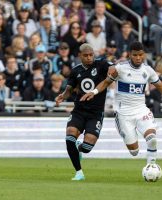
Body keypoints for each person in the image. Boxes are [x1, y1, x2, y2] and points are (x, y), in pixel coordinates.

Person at [80, 41, 162, 168]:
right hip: (124, 114)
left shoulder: (148, 70)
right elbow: (106, 82)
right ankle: (79, 146)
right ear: (130, 55)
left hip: (141, 111)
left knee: (152, 139)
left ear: (144, 55)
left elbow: (161, 87)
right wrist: (94, 91)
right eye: (135, 55)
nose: (138, 58)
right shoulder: (120, 69)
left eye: (140, 55)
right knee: (134, 151)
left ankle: (151, 167)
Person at [55, 43, 113, 181]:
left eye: (91, 55)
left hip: (95, 113)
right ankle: (79, 172)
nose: (89, 58)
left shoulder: (101, 65)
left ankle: (79, 148)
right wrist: (63, 95)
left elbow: (113, 67)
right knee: (69, 137)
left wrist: (112, 69)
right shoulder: (75, 71)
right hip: (79, 111)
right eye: (85, 55)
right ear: (80, 56)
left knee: (86, 147)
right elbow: (69, 89)